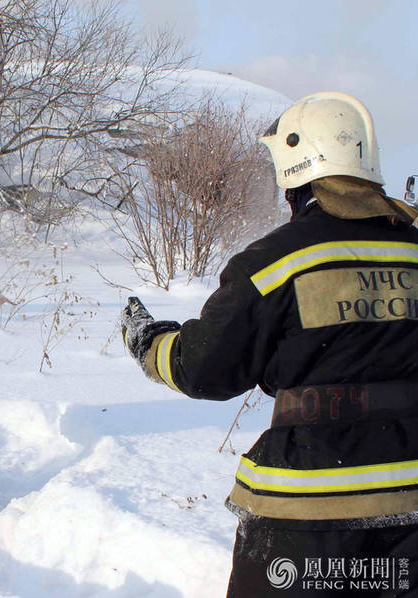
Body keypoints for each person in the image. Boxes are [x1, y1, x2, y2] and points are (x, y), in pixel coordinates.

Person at [121, 92, 418, 597]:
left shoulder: (276, 262)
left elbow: (205, 370)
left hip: (311, 513)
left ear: (293, 176)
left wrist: (149, 342)